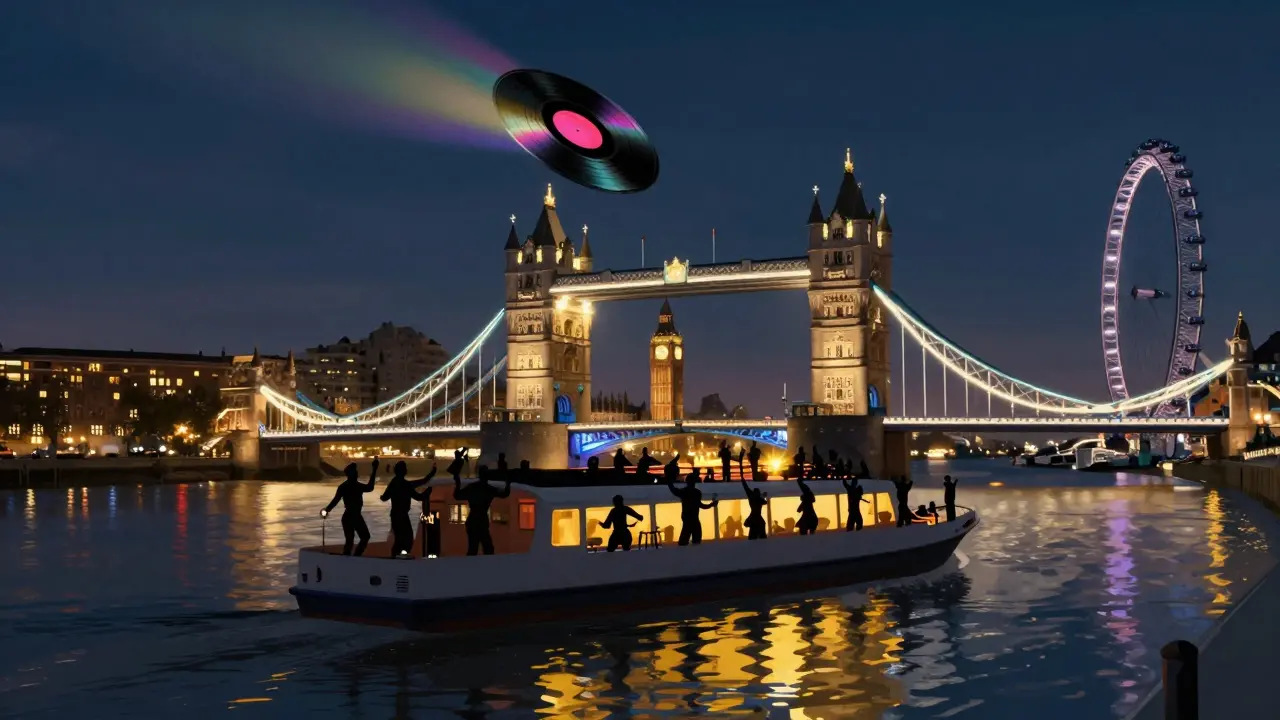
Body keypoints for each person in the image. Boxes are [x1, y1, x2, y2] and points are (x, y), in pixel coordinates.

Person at [321, 458, 379, 556]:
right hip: (353, 516)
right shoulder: (352, 486)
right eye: (355, 472)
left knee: (350, 540)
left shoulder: (344, 486)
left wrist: (327, 510)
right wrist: (374, 469)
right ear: (350, 474)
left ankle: (350, 557)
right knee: (363, 537)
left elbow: (335, 501)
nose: (357, 474)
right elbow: (370, 487)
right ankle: (356, 556)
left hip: (349, 517)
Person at [453, 461, 512, 556]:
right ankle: (487, 568)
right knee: (488, 548)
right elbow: (505, 494)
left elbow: (457, 495)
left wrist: (458, 483)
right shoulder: (489, 489)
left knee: (473, 548)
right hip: (481, 521)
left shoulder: (472, 487)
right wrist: (508, 482)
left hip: (472, 521)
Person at [380, 460, 437, 557]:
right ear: (404, 471)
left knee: (399, 538)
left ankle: (395, 556)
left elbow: (384, 498)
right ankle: (401, 555)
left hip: (395, 515)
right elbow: (419, 496)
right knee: (408, 538)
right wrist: (428, 491)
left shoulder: (394, 483)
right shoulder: (406, 485)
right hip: (402, 516)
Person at [667, 468, 718, 545]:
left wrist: (669, 481)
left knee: (683, 542)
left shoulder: (684, 492)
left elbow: (674, 490)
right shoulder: (697, 493)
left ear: (687, 482)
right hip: (694, 519)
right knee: (696, 540)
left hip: (687, 519)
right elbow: (701, 505)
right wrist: (711, 504)